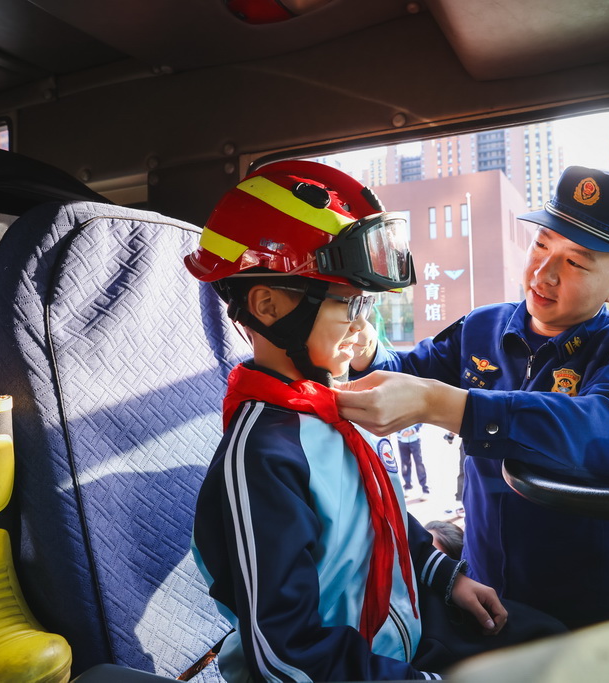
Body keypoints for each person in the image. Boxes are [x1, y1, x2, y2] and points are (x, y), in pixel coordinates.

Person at [184, 160, 560, 681]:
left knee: (555, 643)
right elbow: (284, 652)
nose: (363, 328)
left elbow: (383, 519)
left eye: (365, 305)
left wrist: (445, 576)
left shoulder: (340, 408)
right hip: (347, 666)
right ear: (268, 306)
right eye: (347, 304)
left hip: (402, 633)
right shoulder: (262, 456)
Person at [337, 166, 609, 630]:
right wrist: (366, 352)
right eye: (541, 245)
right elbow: (406, 371)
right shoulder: (483, 326)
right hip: (484, 589)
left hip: (585, 609)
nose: (544, 273)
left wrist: (449, 406)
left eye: (576, 263)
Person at [397, 423, 430, 499]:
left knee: (419, 463)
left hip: (415, 439)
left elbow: (422, 420)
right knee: (405, 464)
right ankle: (407, 486)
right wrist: (401, 431)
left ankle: (425, 489)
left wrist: (414, 430)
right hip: (402, 440)